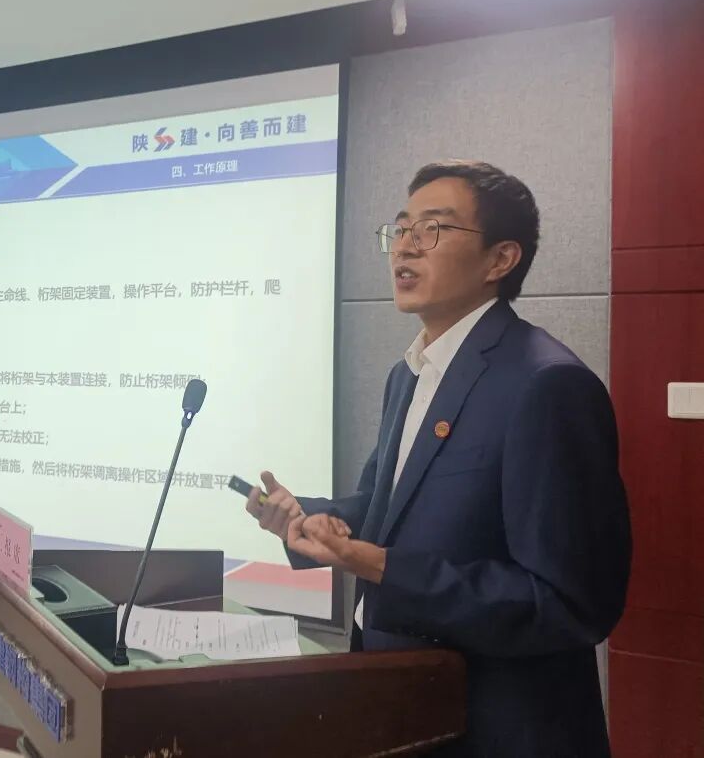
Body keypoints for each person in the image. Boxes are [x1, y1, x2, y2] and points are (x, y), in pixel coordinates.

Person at [246, 161, 631, 758]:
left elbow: (568, 604)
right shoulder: (409, 374)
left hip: (499, 728)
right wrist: (311, 519)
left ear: (500, 259)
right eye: (401, 229)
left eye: (432, 229)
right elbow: (385, 510)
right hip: (406, 710)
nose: (405, 246)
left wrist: (383, 566)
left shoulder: (546, 384)